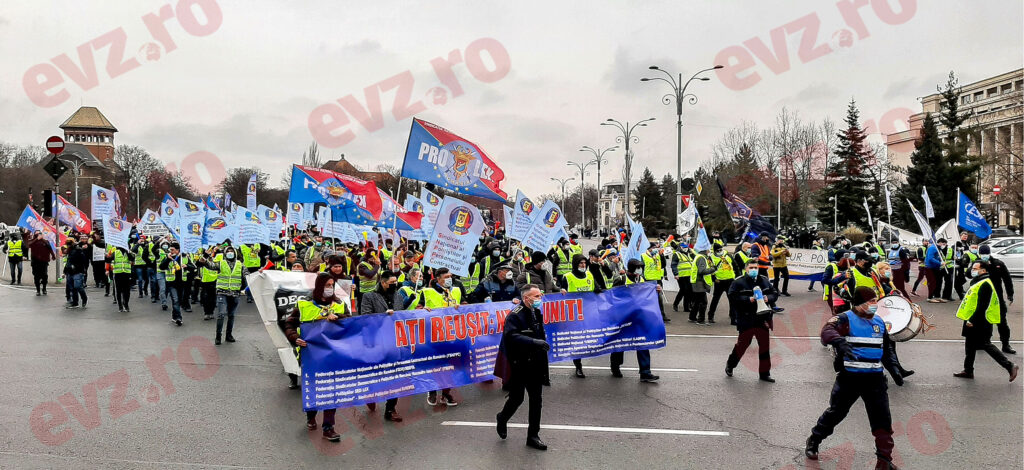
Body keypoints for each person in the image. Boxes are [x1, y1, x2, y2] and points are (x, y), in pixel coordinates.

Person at [805, 287, 900, 470]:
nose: (874, 305)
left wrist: (895, 369)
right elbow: (826, 332)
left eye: (875, 301)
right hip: (850, 378)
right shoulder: (845, 319)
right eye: (870, 302)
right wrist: (839, 341)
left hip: (875, 380)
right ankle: (814, 439)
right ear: (858, 304)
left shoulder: (879, 322)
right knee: (836, 413)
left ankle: (884, 461)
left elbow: (887, 349)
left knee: (882, 421)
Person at [283, 273, 349, 443]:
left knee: (332, 391)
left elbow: (350, 324)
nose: (330, 288)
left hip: (333, 355)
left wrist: (338, 318)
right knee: (313, 389)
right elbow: (289, 323)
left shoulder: (340, 305)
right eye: (327, 285)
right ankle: (311, 416)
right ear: (319, 286)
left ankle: (328, 428)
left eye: (332, 285)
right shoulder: (304, 305)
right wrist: (294, 338)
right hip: (310, 355)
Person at [495, 284, 550, 450]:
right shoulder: (514, 316)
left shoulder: (536, 312)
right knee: (516, 398)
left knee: (536, 400)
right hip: (519, 364)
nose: (540, 299)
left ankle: (533, 435)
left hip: (535, 363)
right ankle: (502, 418)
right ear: (526, 298)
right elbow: (511, 337)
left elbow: (539, 334)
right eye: (537, 297)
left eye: (540, 296)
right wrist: (533, 341)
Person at [953, 260, 1019, 382]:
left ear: (983, 270)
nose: (972, 270)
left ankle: (1009, 365)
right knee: (970, 346)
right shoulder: (977, 281)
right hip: (972, 318)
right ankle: (968, 370)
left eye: (975, 268)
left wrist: (972, 320)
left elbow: (982, 305)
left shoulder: (985, 284)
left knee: (985, 344)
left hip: (979, 320)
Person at [358, 270, 404, 422]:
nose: (394, 285)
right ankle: (370, 393)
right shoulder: (369, 296)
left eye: (395, 282)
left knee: (395, 375)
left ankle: (390, 409)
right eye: (391, 283)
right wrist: (384, 315)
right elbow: (365, 317)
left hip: (394, 341)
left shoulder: (398, 295)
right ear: (383, 283)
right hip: (376, 342)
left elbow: (403, 314)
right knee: (377, 374)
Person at [725, 260, 778, 382]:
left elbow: (774, 293)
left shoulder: (764, 280)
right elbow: (732, 297)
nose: (754, 270)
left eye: (756, 267)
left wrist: (767, 298)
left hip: (762, 317)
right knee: (743, 345)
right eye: (751, 267)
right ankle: (731, 364)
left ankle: (765, 373)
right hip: (746, 318)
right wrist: (748, 299)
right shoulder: (738, 282)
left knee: (764, 346)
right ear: (746, 269)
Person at [610, 259, 660, 382]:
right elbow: (612, 297)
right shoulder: (621, 280)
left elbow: (646, 296)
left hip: (638, 318)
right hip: (623, 318)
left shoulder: (641, 280)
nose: (640, 270)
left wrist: (655, 291)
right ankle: (615, 366)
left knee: (642, 343)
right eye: (638, 267)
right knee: (620, 343)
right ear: (632, 268)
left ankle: (645, 371)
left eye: (641, 267)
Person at [421, 268, 461, 406]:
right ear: (438, 279)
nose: (450, 278)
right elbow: (415, 310)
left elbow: (468, 306)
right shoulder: (427, 292)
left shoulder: (456, 290)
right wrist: (422, 309)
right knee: (435, 364)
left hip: (451, 334)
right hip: (432, 336)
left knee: (450, 366)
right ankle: (432, 390)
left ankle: (446, 393)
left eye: (450, 276)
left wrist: (462, 307)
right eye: (446, 276)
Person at [559, 254, 601, 378]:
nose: (583, 266)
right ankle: (578, 366)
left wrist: (599, 290)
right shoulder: (568, 277)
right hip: (575, 315)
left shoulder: (589, 274)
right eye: (580, 263)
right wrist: (562, 292)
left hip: (589, 313)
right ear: (575, 264)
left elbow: (596, 287)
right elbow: (561, 293)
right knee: (577, 341)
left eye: (584, 263)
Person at [979, 245, 1016, 354]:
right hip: (982, 298)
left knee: (1002, 323)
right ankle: (984, 342)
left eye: (986, 253)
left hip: (997, 298)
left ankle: (1006, 344)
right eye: (982, 253)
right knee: (983, 322)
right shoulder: (977, 263)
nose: (984, 256)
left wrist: (1010, 294)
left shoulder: (998, 264)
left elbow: (1007, 279)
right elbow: (969, 274)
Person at [209, 246, 244, 345]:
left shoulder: (240, 265)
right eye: (228, 251)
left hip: (235, 293)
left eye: (231, 251)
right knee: (221, 314)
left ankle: (229, 335)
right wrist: (204, 261)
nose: (230, 253)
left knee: (231, 315)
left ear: (235, 253)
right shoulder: (221, 263)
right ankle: (218, 336)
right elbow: (210, 265)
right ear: (225, 253)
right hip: (222, 292)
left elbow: (247, 275)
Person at [707, 241, 736, 324]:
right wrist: (714, 279)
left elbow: (734, 265)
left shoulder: (727, 255)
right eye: (718, 250)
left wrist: (736, 277)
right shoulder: (711, 258)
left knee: (732, 300)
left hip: (730, 280)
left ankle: (733, 318)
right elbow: (710, 269)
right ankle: (710, 316)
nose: (720, 251)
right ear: (715, 251)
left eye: (721, 249)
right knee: (715, 299)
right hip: (719, 281)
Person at [688, 246, 716, 324]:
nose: (709, 250)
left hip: (697, 281)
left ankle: (692, 317)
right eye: (708, 249)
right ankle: (701, 319)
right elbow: (702, 271)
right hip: (699, 282)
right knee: (703, 302)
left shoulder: (699, 256)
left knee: (697, 301)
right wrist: (713, 269)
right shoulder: (701, 258)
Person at [159, 244, 185, 326]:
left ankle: (174, 316)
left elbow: (192, 266)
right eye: (170, 250)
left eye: (173, 250)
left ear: (177, 250)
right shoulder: (168, 258)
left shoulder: (182, 257)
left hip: (181, 283)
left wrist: (186, 266)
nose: (171, 252)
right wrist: (168, 259)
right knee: (175, 300)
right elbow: (161, 267)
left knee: (179, 301)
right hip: (171, 283)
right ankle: (178, 318)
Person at [64, 240, 90, 309]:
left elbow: (83, 260)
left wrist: (79, 268)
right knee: (72, 288)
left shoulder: (78, 250)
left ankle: (84, 298)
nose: (68, 246)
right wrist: (65, 271)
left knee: (78, 286)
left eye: (69, 244)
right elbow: (68, 262)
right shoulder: (70, 251)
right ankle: (75, 303)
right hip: (70, 271)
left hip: (77, 271)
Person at [108, 244, 133, 312]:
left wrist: (128, 252)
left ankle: (126, 304)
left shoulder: (128, 252)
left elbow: (132, 259)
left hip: (126, 273)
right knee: (118, 290)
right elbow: (109, 259)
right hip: (118, 273)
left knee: (127, 290)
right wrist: (107, 256)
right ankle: (120, 306)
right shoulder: (115, 252)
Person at [670, 242, 694, 313]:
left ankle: (687, 307)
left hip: (689, 275)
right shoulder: (677, 254)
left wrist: (692, 252)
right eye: (683, 247)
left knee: (689, 290)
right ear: (680, 247)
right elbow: (673, 265)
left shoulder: (689, 254)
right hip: (681, 275)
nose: (685, 249)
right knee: (683, 290)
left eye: (686, 247)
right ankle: (676, 304)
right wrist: (676, 274)